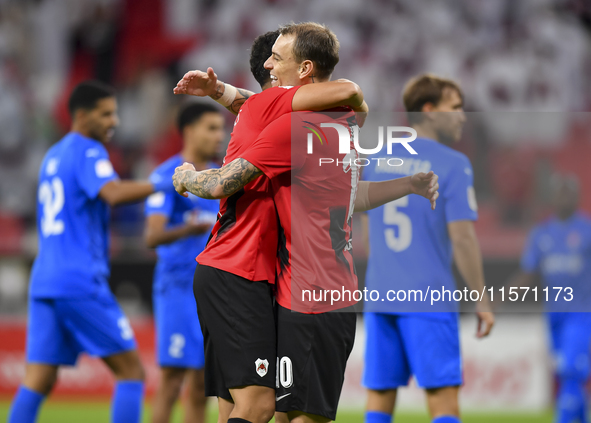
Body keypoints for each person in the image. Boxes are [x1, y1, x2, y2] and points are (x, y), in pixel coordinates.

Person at [173, 23, 439, 423]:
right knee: (276, 410)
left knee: (264, 410)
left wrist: (187, 173)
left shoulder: (292, 122)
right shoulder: (347, 126)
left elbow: (346, 196)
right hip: (296, 285)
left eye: (276, 60)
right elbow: (350, 94)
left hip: (289, 287)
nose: (268, 67)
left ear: (304, 71)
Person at [8, 80, 171, 423]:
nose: (114, 122)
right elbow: (111, 193)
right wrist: (166, 183)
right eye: (106, 114)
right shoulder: (87, 149)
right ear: (81, 116)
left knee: (39, 378)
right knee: (131, 372)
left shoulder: (52, 155)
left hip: (45, 278)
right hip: (77, 277)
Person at [360, 74, 495, 423]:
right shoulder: (452, 164)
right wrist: (480, 297)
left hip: (380, 294)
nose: (463, 116)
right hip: (427, 296)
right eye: (456, 108)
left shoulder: (376, 160)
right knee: (442, 400)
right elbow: (463, 237)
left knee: (379, 399)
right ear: (430, 111)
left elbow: (365, 232)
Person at [145, 102, 224, 423]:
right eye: (212, 128)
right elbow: (152, 236)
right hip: (178, 289)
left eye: (221, 128)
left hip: (214, 291)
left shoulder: (222, 178)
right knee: (172, 379)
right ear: (189, 131)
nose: (220, 135)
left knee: (201, 384)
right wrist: (190, 228)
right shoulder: (166, 176)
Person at [507, 175, 591, 423]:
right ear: (553, 197)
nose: (564, 196)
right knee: (567, 376)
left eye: (569, 192)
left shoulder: (587, 230)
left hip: (581, 314)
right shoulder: (541, 233)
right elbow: (528, 272)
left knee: (569, 371)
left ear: (577, 196)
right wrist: (499, 297)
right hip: (553, 317)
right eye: (560, 192)